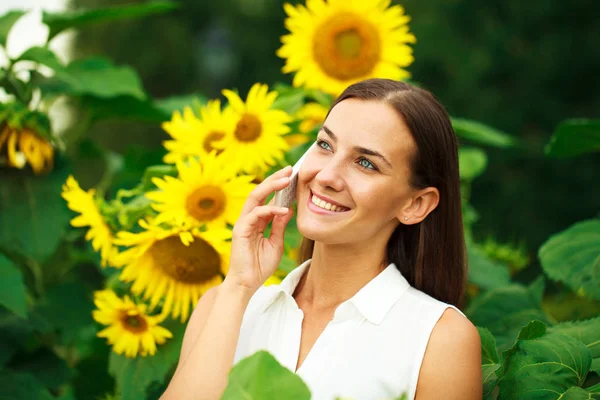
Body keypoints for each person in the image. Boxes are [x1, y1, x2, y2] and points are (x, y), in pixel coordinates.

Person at [161, 79, 482, 400]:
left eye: (366, 163)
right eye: (325, 145)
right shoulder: (223, 306)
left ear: (415, 204)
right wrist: (239, 285)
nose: (326, 176)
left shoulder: (439, 340)